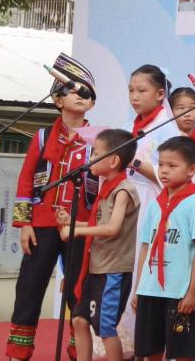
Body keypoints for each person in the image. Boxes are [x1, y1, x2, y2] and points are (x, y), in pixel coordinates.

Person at [7, 55, 97, 361]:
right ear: (58, 100)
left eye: (87, 92)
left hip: (81, 226)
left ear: (92, 103)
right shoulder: (42, 136)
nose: (80, 95)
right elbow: (25, 180)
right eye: (73, 90)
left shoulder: (98, 140)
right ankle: (18, 351)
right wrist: (24, 224)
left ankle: (78, 349)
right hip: (42, 223)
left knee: (78, 288)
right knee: (30, 286)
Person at [132, 136, 195, 361]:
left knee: (182, 351)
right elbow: (145, 247)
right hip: (150, 289)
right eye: (161, 164)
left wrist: (192, 291)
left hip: (178, 291)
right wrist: (139, 288)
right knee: (150, 350)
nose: (164, 170)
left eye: (172, 165)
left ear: (191, 169)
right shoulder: (155, 204)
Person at [63, 128, 139, 361]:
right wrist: (72, 222)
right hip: (96, 267)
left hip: (112, 271)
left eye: (96, 154)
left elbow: (112, 229)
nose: (91, 158)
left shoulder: (123, 190)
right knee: (79, 319)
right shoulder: (107, 188)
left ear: (113, 161)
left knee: (105, 328)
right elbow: (98, 223)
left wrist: (76, 230)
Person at [126, 65, 182, 210]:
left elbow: (174, 176)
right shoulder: (126, 127)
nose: (134, 97)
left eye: (141, 91)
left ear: (160, 94)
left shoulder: (168, 130)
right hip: (125, 199)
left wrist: (133, 162)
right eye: (131, 90)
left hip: (151, 202)